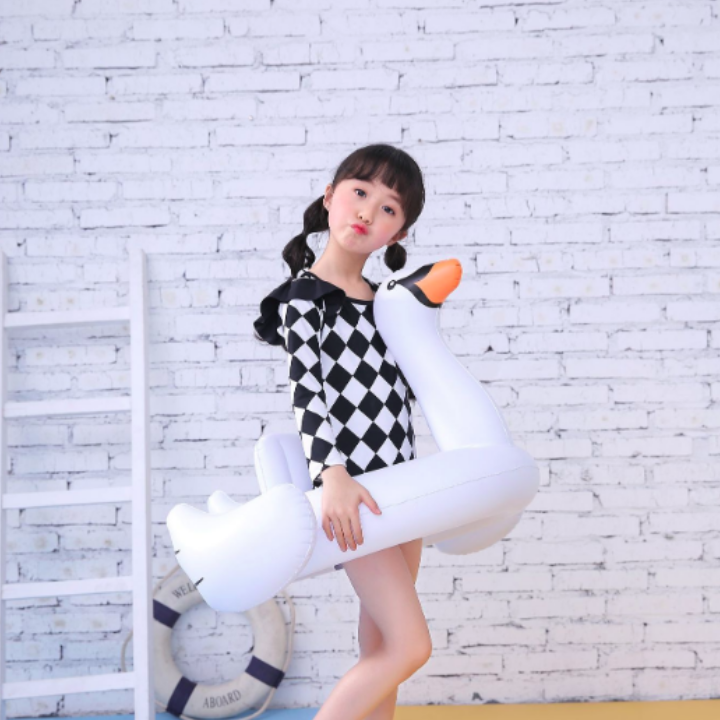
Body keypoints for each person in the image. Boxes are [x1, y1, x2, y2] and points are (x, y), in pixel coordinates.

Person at [253, 143, 431, 719]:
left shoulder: (388, 305)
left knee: (382, 649)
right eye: (360, 192)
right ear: (330, 197)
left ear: (399, 234)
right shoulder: (304, 299)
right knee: (411, 646)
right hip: (357, 492)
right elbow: (306, 394)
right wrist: (332, 476)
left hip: (406, 485)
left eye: (389, 208)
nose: (368, 212)